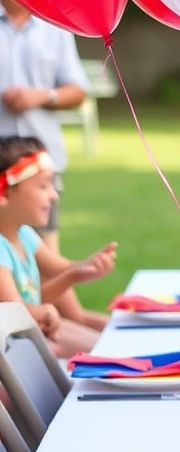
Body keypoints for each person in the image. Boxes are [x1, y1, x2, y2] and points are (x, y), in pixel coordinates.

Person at [0, 136, 117, 357]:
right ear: (3, 193)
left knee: (105, 344)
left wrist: (86, 266)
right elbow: (13, 313)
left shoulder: (24, 234)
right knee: (103, 350)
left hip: (32, 338)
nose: (53, 195)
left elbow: (61, 268)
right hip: (14, 356)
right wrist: (41, 309)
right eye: (43, 186)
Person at [0, 0, 89, 252]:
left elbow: (77, 91)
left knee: (45, 255)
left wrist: (42, 96)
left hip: (39, 165)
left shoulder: (55, 25)